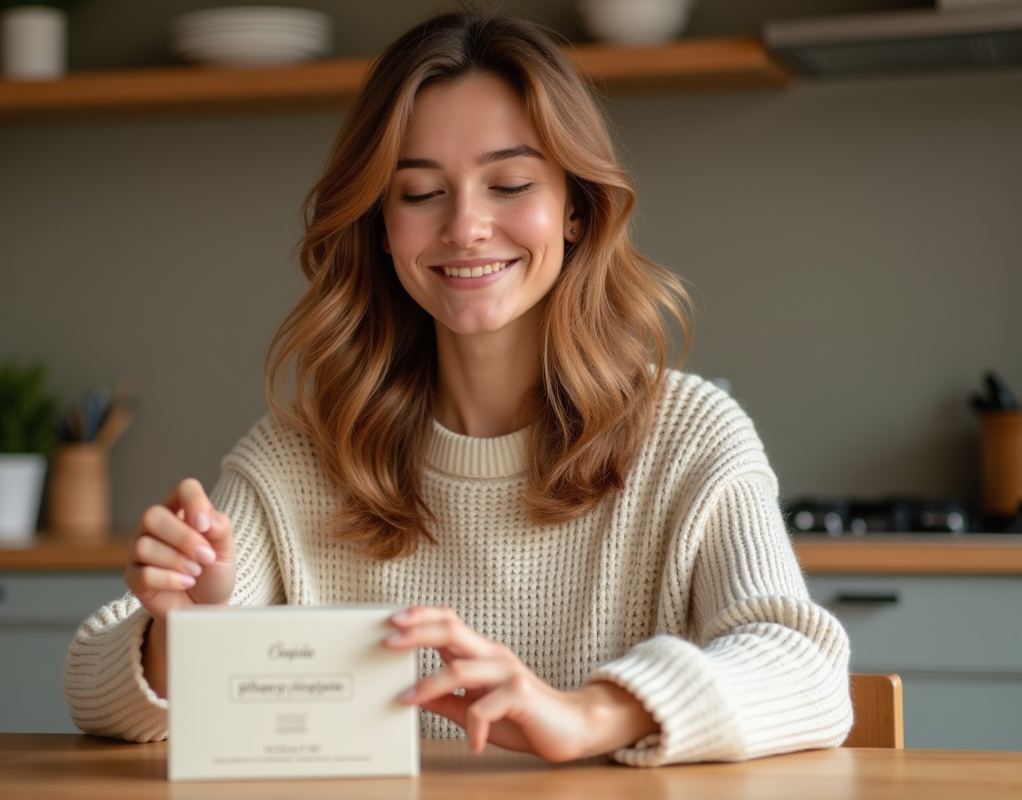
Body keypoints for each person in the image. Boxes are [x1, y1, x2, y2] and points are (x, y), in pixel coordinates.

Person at [64, 11, 852, 766]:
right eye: (418, 192)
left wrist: (580, 715)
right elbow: (97, 695)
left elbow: (804, 667)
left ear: (575, 208)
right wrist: (186, 630)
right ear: (380, 223)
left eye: (509, 184)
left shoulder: (689, 434)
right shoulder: (301, 453)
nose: (465, 226)